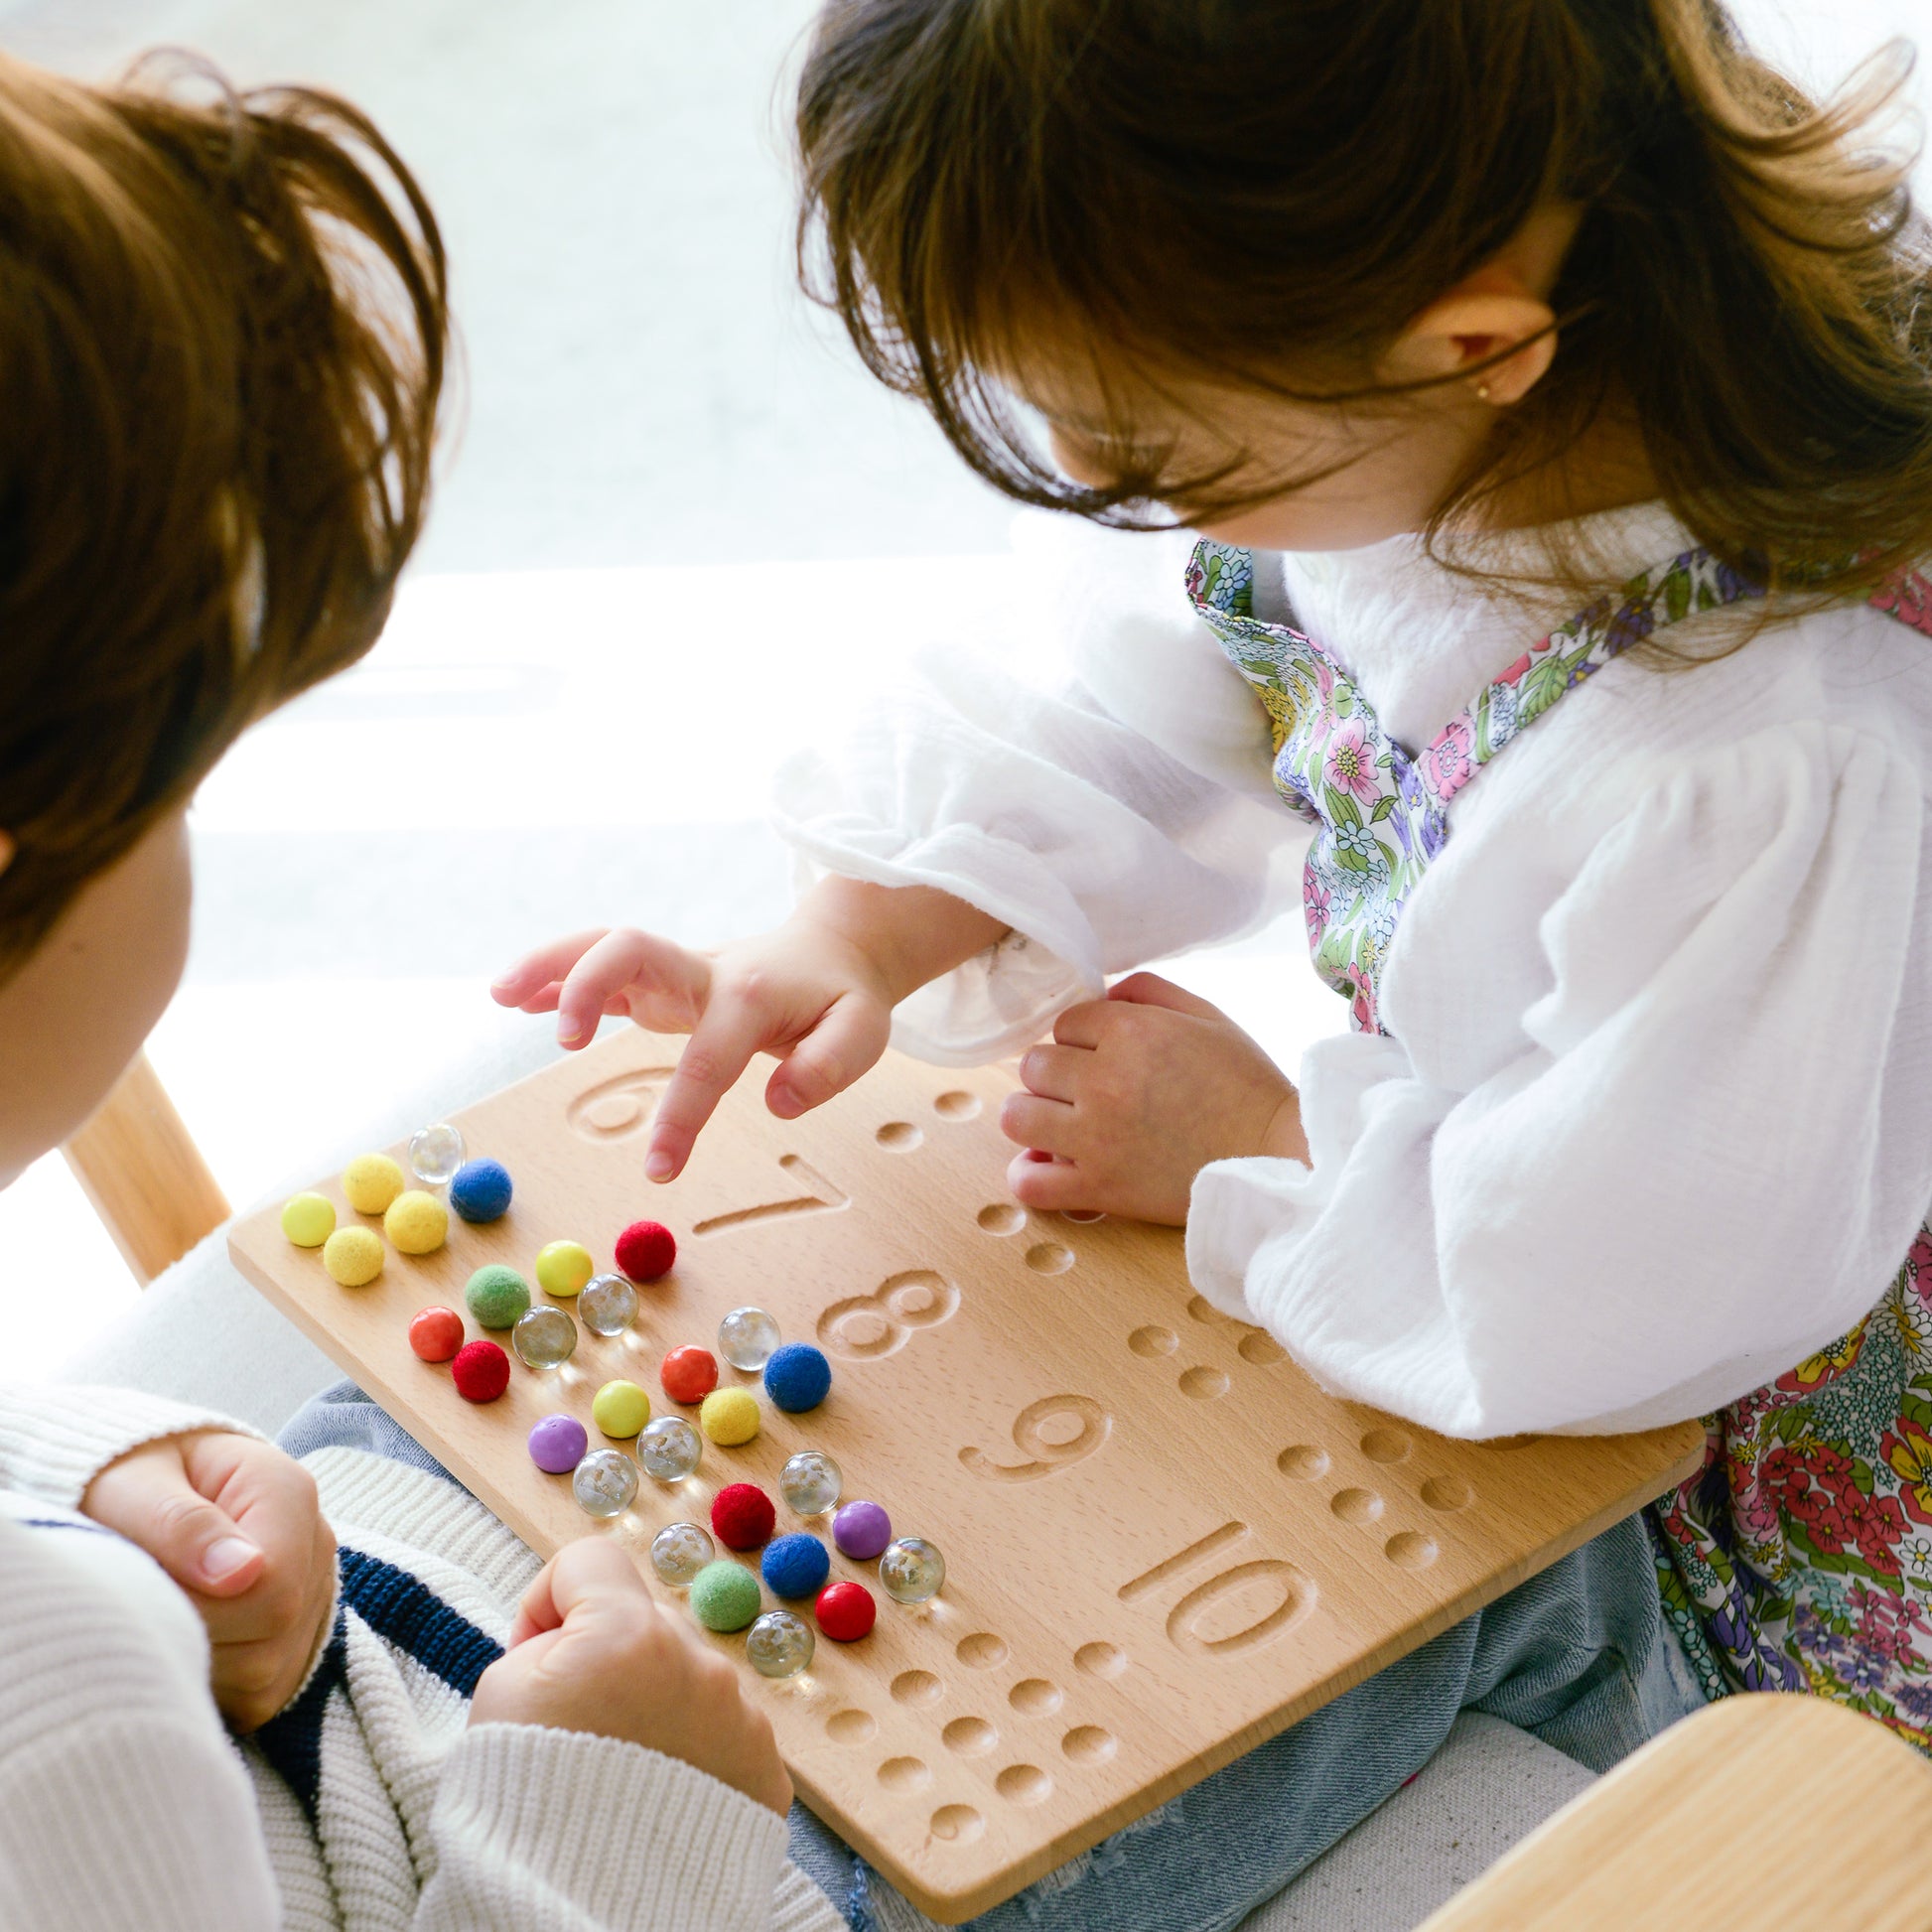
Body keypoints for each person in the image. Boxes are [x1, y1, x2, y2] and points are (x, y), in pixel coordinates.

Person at [494, 0, 1932, 1921]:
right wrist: (876, 914)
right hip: (1601, 1194)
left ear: (1476, 339)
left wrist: (1261, 1149)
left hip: (1739, 1387)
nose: (1122, 492)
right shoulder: (1420, 407)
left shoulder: (1755, 751)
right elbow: (1188, 668)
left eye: (1138, 447)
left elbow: (1624, 1279)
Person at [0, 49, 842, 1931]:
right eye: (184, 780)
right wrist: (624, 1833)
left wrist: (89, 1470)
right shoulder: (55, 1750)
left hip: (318, 1696)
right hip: (577, 1858)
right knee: (1496, 1622)